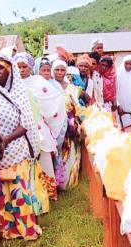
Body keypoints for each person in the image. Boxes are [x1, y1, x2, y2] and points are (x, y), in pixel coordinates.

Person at [0, 53, 43, 241]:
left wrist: (5, 139)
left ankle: (26, 228)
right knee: (3, 193)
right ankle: (7, 229)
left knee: (20, 191)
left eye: (1, 68)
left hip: (16, 148)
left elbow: (26, 123)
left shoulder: (19, 90)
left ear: (10, 69)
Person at [13, 51, 59, 204]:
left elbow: (53, 99)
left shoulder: (38, 82)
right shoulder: (12, 84)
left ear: (31, 67)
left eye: (24, 66)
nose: (21, 70)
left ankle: (49, 192)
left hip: (38, 125)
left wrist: (48, 120)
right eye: (18, 66)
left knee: (44, 158)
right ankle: (32, 194)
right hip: (20, 130)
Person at [51, 60, 82, 191]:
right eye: (57, 70)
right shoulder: (49, 86)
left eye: (62, 70)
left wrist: (74, 122)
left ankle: (68, 180)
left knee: (70, 151)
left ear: (66, 72)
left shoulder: (71, 88)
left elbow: (77, 107)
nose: (59, 72)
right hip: (55, 125)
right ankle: (56, 181)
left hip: (70, 125)